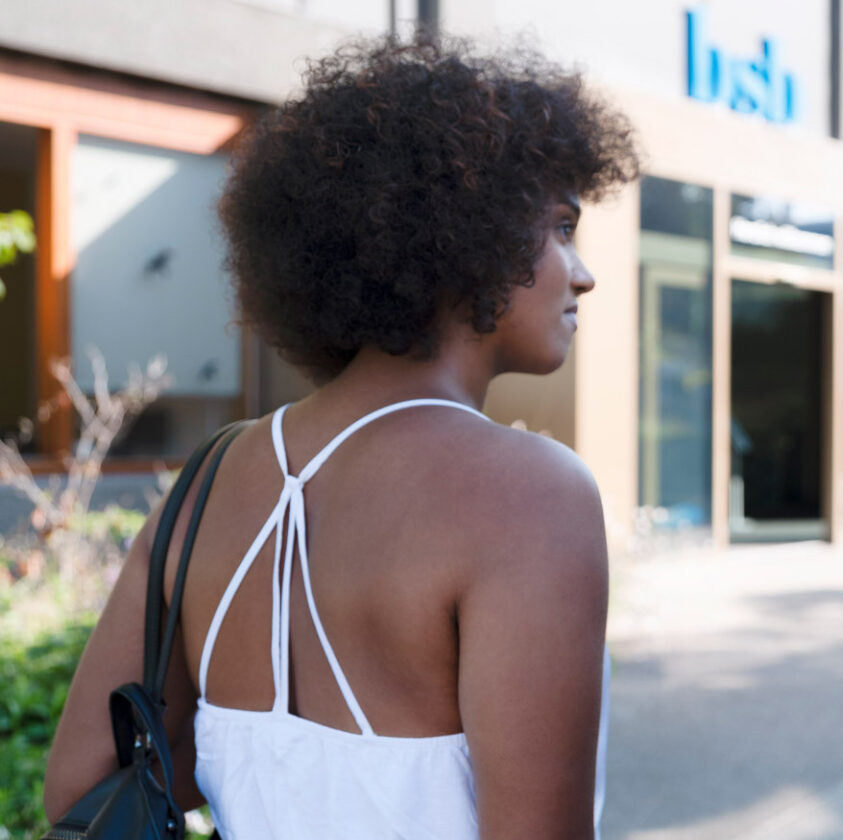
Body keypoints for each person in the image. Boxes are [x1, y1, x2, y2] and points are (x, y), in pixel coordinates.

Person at [43, 38, 639, 837]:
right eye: (562, 227)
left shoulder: (213, 480)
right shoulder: (531, 495)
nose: (583, 272)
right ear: (469, 234)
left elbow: (80, 787)